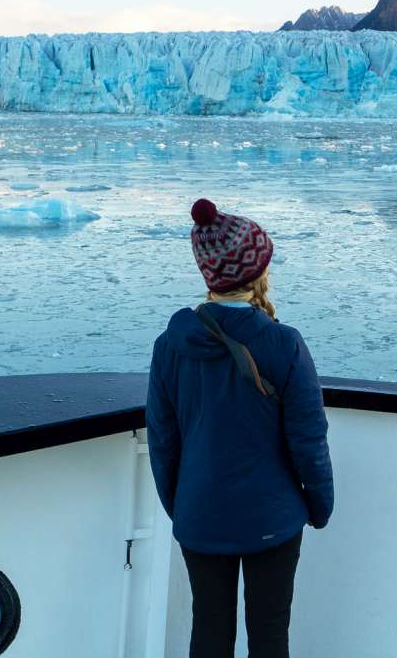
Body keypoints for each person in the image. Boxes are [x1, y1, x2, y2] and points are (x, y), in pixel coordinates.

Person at [146, 198, 333, 658]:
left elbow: (163, 440)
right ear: (256, 272)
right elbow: (308, 438)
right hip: (273, 517)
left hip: (201, 513)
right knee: (270, 635)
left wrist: (182, 506)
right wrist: (319, 505)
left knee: (209, 632)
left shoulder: (170, 346)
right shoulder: (283, 343)